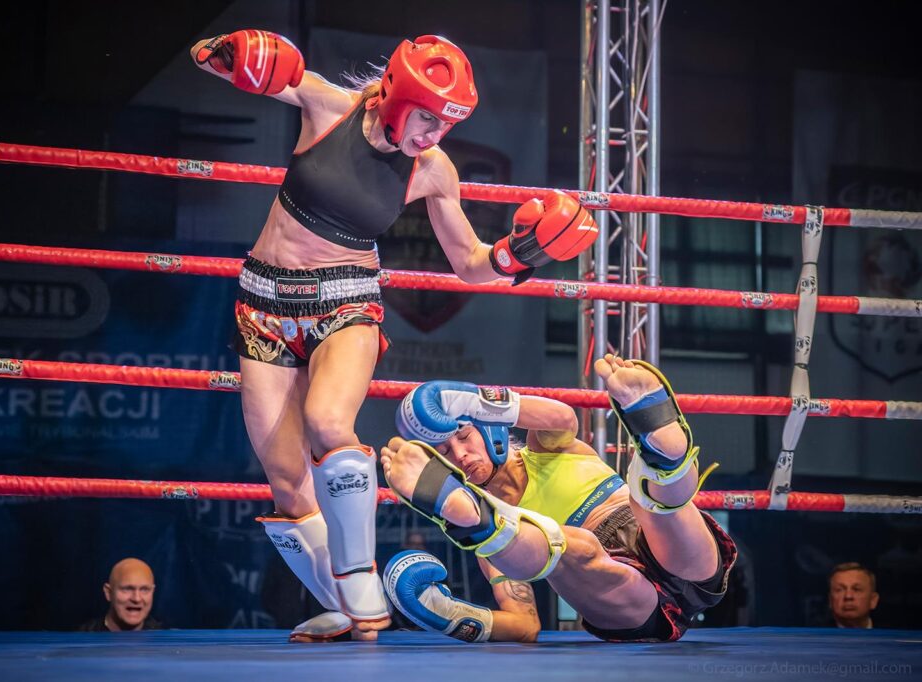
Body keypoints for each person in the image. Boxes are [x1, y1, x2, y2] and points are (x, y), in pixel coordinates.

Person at [189, 29, 598, 642]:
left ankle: (360, 575)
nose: (435, 134)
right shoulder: (328, 108)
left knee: (329, 421)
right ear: (398, 98)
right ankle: (340, 606)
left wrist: (520, 255)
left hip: (346, 299)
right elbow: (208, 58)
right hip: (262, 302)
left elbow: (470, 263)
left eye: (448, 123)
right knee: (285, 479)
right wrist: (227, 52)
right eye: (428, 118)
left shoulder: (432, 169)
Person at [381, 355, 737, 643]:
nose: (460, 455)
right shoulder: (493, 550)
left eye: (464, 436)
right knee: (576, 545)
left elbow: (563, 418)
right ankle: (487, 525)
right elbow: (524, 625)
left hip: (681, 552)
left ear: (487, 426)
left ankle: (664, 455)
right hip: (628, 602)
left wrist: (473, 401)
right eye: (445, 453)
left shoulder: (545, 449)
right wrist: (449, 615)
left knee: (651, 505)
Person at [79, 558, 164, 632]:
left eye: (144, 589)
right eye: (127, 589)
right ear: (108, 592)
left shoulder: (164, 640)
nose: (136, 598)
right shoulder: (82, 638)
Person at [828, 562, 879, 629]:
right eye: (839, 590)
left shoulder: (889, 633)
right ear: (830, 600)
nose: (848, 596)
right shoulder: (817, 634)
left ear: (873, 600)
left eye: (856, 589)